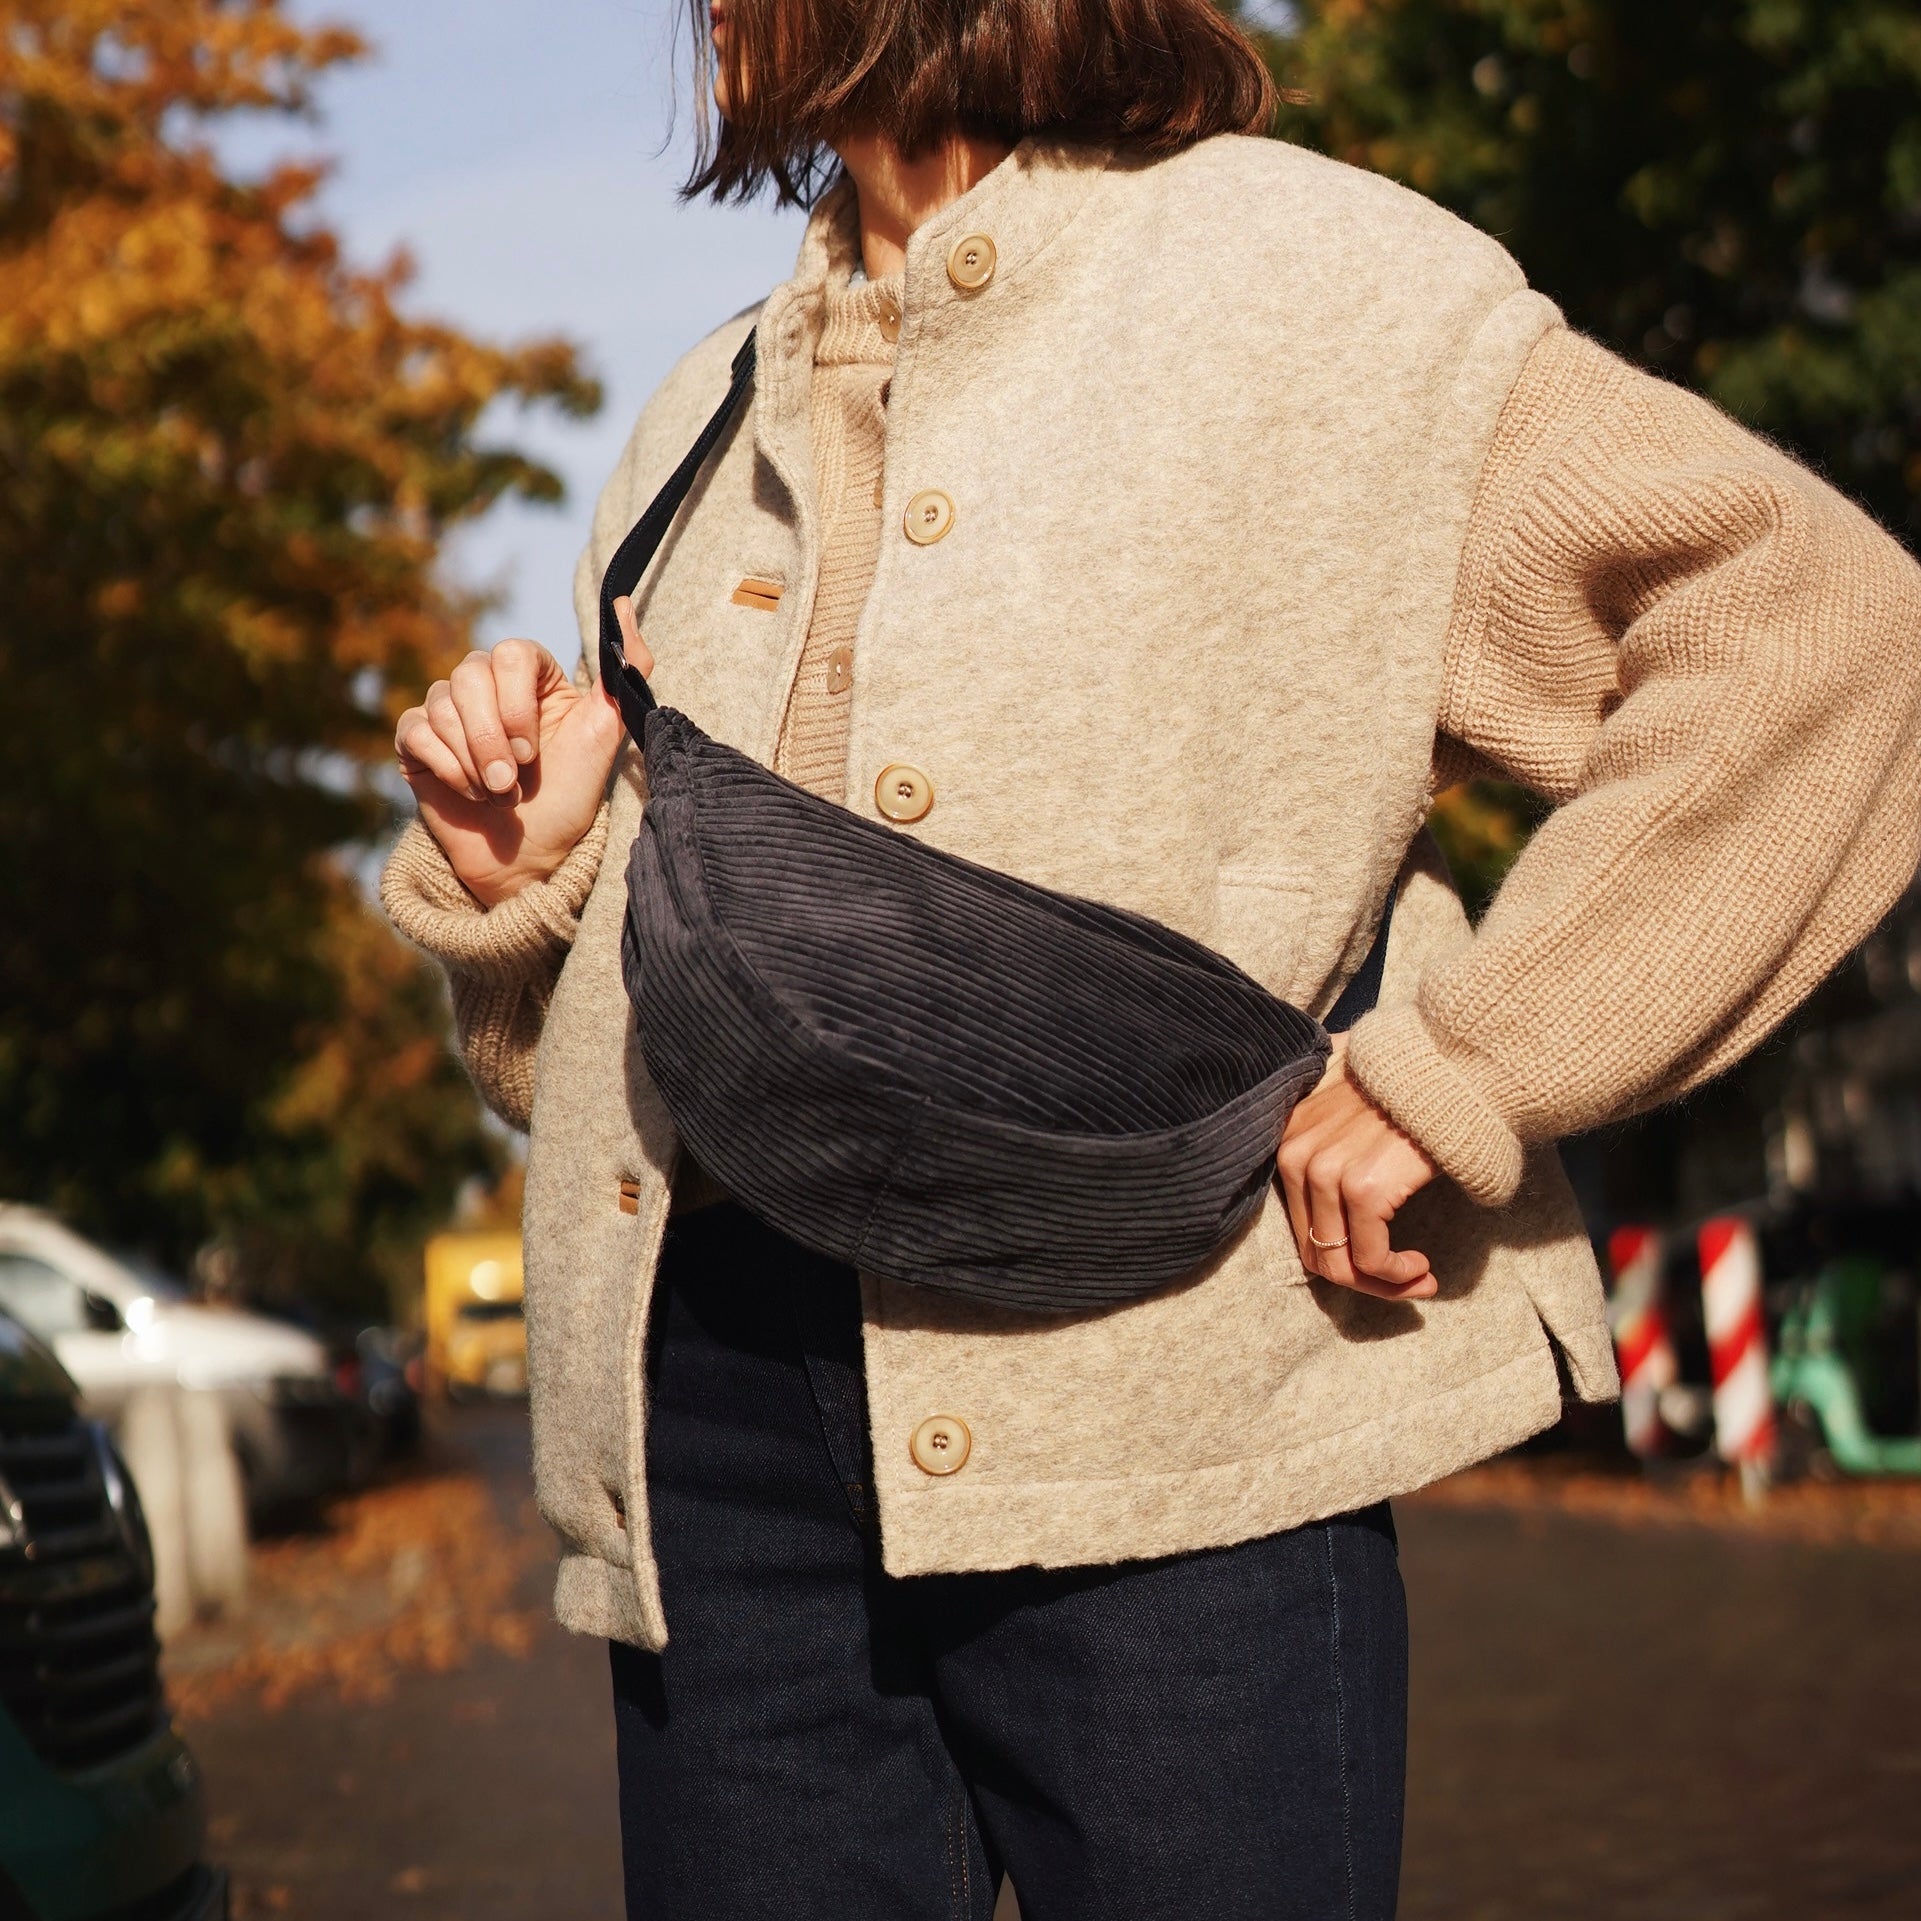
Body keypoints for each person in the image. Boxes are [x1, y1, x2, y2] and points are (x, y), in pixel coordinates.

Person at [381, 2, 1921, 1915]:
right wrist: (530, 892)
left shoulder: (1322, 288)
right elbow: (598, 1057)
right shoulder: (695, 421)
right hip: (721, 1469)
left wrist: (1474, 1066)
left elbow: (1814, 626)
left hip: (1176, 1421)